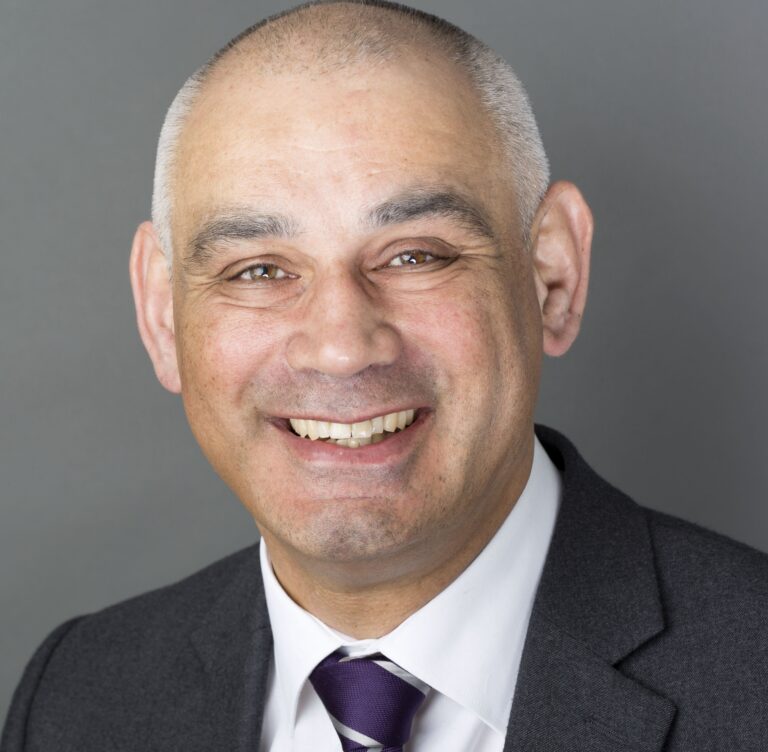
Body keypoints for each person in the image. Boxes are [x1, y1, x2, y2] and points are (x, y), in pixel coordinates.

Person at [3, 1, 767, 750]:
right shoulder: (79, 697)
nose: (341, 346)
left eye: (416, 255)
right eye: (259, 269)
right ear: (164, 317)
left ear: (551, 277)